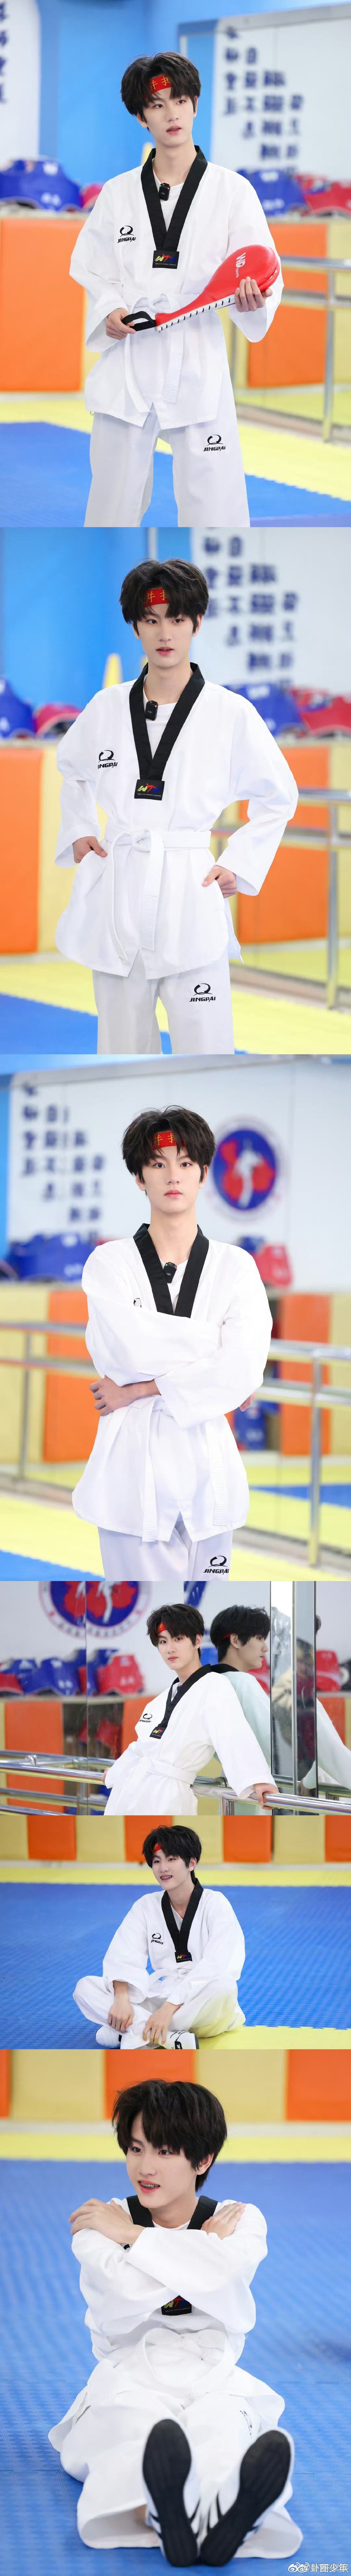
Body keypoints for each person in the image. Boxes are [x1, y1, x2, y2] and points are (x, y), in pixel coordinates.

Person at [54, 557, 298, 1060]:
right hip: (119, 884)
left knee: (206, 1049)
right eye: (151, 620)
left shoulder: (231, 713)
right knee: (121, 1051)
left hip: (191, 885)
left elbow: (279, 795)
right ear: (136, 627)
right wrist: (79, 828)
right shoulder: (106, 707)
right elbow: (72, 769)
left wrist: (240, 862)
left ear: (197, 623)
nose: (165, 633)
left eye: (177, 619)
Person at [49, 2077, 301, 2560]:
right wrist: (204, 2249)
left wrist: (134, 2239)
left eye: (164, 2151)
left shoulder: (241, 2218)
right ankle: (169, 2514)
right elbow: (128, 2291)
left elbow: (220, 2273)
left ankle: (226, 2516)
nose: (145, 2167)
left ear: (202, 2161)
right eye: (136, 2148)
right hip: (129, 2374)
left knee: (224, 2429)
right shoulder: (99, 2221)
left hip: (215, 2376)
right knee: (137, 2431)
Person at [69, 50, 283, 529]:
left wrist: (254, 300)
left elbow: (262, 268)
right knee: (110, 508)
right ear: (141, 117)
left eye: (181, 101)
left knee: (216, 510)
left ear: (195, 106)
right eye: (158, 104)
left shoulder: (233, 192)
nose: (172, 114)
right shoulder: (118, 194)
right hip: (130, 359)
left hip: (198, 361)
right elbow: (93, 268)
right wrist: (110, 309)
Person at [71, 1107, 273, 1580]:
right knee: (151, 1600)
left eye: (185, 1163)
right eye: (158, 1164)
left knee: (208, 1597)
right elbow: (129, 1354)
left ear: (204, 1173)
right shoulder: (109, 1264)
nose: (173, 1176)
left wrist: (139, 1389)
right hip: (132, 1469)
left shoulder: (236, 1266)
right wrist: (220, 1363)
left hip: (210, 1469)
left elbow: (243, 1367)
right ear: (140, 1178)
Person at [73, 1821, 246, 2048]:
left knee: (224, 1986)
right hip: (162, 1994)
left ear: (192, 1863)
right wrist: (122, 2000)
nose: (163, 1868)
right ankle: (168, 2037)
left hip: (202, 2004)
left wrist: (168, 2010)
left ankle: (134, 2032)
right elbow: (123, 1956)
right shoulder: (146, 1906)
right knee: (86, 1987)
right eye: (157, 1861)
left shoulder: (216, 1904)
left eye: (172, 1859)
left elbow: (218, 1965)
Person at [102, 1603, 276, 1818]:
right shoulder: (161, 1700)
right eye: (163, 1641)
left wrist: (258, 1780)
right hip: (131, 1792)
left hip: (168, 1796)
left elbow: (233, 1735)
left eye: (178, 1639)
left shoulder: (216, 1686)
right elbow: (142, 1749)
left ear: (197, 1641)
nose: (170, 1649)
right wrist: (117, 1772)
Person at [210, 1601, 351, 1792]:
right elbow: (278, 1751)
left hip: (243, 1786)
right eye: (260, 1639)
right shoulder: (243, 1683)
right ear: (236, 1641)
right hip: (269, 1790)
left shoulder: (212, 1683)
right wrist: (313, 1777)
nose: (266, 1648)